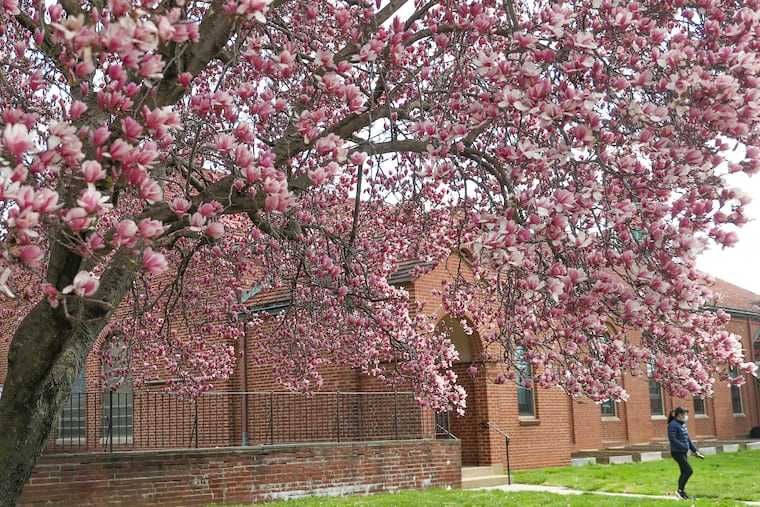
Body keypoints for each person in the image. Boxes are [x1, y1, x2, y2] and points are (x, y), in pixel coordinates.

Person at [668, 406, 704, 500]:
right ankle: (680, 491)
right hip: (677, 452)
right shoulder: (673, 424)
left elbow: (688, 439)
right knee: (689, 471)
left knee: (684, 472)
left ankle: (681, 492)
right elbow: (672, 438)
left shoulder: (682, 424)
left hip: (683, 452)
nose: (686, 416)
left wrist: (695, 451)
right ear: (679, 415)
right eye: (685, 414)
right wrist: (683, 446)